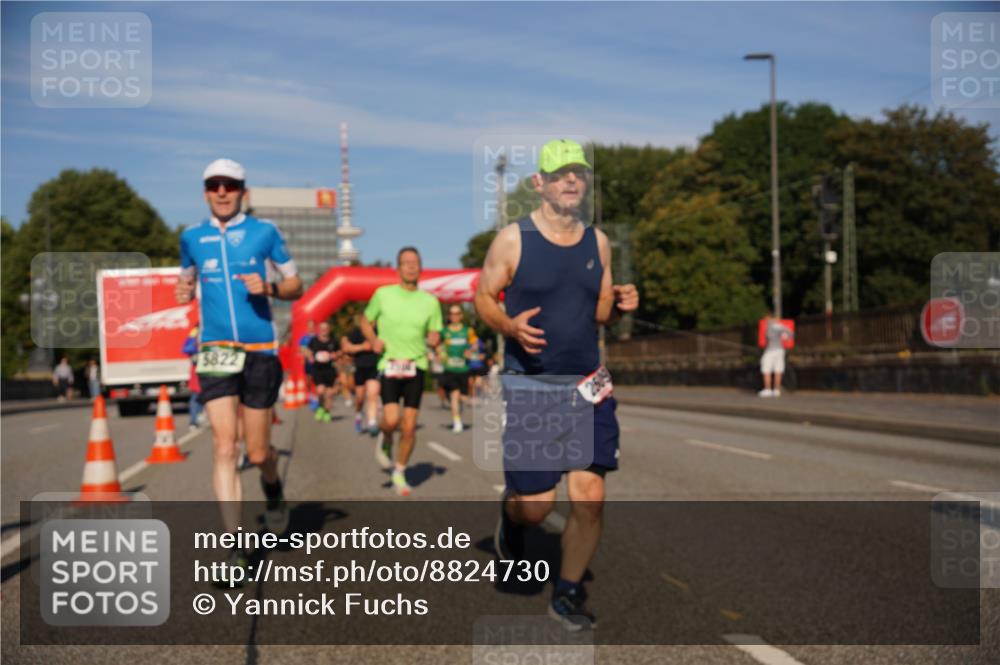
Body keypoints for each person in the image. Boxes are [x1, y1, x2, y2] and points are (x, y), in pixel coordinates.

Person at [475, 139, 639, 631]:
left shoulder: (599, 241)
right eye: (561, 173)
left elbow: (600, 312)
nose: (572, 180)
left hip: (589, 387)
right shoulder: (513, 239)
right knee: (536, 506)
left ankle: (566, 594)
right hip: (532, 386)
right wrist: (508, 326)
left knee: (589, 495)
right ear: (539, 183)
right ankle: (511, 517)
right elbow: (483, 297)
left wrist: (623, 301)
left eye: (579, 173)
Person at [175, 158, 303, 582]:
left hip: (261, 351)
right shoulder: (191, 237)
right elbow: (186, 281)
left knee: (259, 452)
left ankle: (273, 490)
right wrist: (183, 289)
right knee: (225, 447)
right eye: (214, 185)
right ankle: (235, 548)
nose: (223, 191)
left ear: (243, 190)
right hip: (215, 352)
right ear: (205, 191)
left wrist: (269, 287)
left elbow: (295, 284)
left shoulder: (264, 233)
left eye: (230, 184)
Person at [360, 247, 442, 497]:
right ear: (398, 268)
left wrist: (435, 338)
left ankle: (399, 470)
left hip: (416, 365)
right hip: (390, 363)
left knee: (409, 427)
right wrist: (373, 340)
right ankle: (385, 440)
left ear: (420, 268)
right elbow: (365, 320)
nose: (411, 267)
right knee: (392, 420)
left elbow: (436, 332)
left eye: (415, 263)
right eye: (406, 263)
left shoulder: (430, 301)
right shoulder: (383, 295)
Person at [342, 314, 381, 435]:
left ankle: (372, 422)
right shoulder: (356, 333)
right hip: (360, 368)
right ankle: (359, 414)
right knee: (360, 398)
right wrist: (362, 347)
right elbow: (346, 348)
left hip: (374, 367)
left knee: (373, 395)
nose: (372, 323)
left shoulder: (379, 332)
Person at [440, 305, 475, 432]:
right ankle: (457, 421)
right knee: (454, 394)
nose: (454, 316)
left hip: (464, 368)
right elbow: (439, 345)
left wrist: (470, 351)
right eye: (452, 313)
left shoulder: (468, 330)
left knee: (462, 397)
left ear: (461, 315)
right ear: (449, 316)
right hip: (450, 368)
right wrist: (441, 354)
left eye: (457, 313)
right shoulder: (444, 331)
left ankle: (463, 407)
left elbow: (475, 344)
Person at [303, 321, 338, 422]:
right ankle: (320, 407)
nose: (324, 330)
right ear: (319, 330)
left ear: (329, 329)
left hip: (330, 370)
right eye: (322, 328)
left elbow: (340, 351)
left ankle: (326, 411)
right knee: (320, 390)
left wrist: (335, 355)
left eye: (326, 328)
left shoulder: (333, 341)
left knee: (329, 394)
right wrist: (310, 356)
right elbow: (307, 350)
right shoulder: (314, 341)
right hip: (318, 370)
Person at [759, 311, 794, 397]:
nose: (765, 320)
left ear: (769, 317)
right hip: (780, 350)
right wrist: (785, 337)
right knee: (778, 370)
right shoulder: (779, 325)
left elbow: (789, 333)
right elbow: (790, 333)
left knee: (766, 369)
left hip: (771, 350)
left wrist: (785, 336)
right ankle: (776, 390)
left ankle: (768, 389)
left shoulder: (772, 324)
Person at [182, 326, 205, 429]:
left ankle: (199, 415)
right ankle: (194, 420)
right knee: (196, 395)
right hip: (198, 369)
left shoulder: (208, 332)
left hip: (205, 368)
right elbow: (186, 349)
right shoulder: (195, 333)